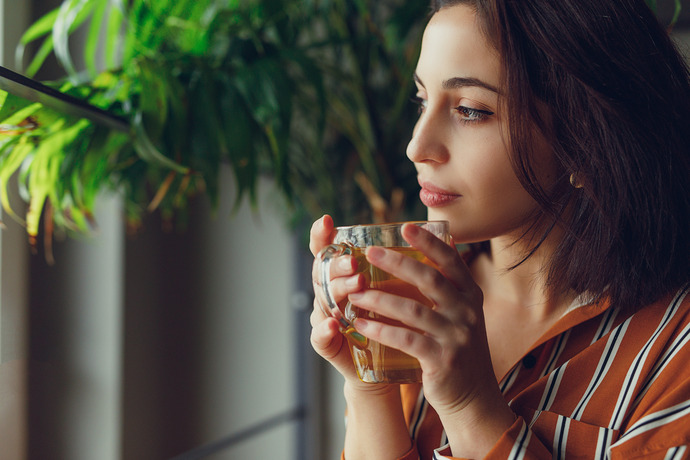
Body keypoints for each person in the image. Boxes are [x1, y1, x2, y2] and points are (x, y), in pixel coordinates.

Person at [309, 0, 690, 458]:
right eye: (422, 100)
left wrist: (471, 407)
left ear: (587, 141)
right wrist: (369, 385)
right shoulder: (412, 298)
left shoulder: (674, 348)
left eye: (470, 110)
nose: (416, 146)